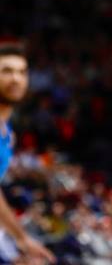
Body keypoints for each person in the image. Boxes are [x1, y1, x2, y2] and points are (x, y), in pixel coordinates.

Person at [0, 42, 56, 263]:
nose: (16, 78)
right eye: (7, 71)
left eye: (22, 72)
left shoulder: (7, 132)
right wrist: (21, 238)